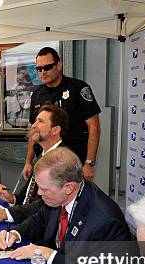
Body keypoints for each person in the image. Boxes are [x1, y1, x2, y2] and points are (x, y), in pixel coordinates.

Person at [0, 147, 132, 264]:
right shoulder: (60, 197)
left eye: (44, 189)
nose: (39, 193)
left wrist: (47, 253)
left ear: (68, 187)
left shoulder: (104, 220)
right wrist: (14, 233)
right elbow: (39, 219)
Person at [0, 104, 66, 225]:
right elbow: (29, 199)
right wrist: (12, 198)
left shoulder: (62, 161)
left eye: (40, 121)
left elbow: (44, 205)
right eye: (35, 121)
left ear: (55, 130)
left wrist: (3, 214)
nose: (34, 125)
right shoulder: (43, 155)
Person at [25, 47, 101, 181]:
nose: (43, 72)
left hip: (73, 162)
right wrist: (28, 161)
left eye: (47, 67)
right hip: (45, 162)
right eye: (39, 69)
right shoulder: (37, 95)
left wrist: (89, 163)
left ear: (59, 66)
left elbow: (94, 127)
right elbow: (34, 130)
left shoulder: (78, 88)